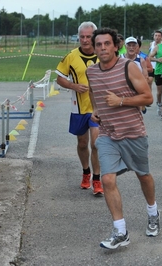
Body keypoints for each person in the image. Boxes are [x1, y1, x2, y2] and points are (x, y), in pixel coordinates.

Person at [86, 27, 159, 249]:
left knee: (143, 176)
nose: (103, 48)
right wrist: (95, 109)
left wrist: (120, 101)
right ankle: (120, 231)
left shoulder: (129, 67)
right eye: (98, 45)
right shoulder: (92, 72)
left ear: (116, 45)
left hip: (133, 133)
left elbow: (148, 98)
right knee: (107, 179)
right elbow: (93, 91)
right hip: (108, 133)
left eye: (107, 44)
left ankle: (153, 212)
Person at [55, 21, 103, 196]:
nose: (84, 40)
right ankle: (86, 173)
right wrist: (73, 86)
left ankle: (97, 179)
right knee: (82, 143)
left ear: (94, 37)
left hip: (98, 109)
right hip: (79, 108)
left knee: (96, 144)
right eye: (82, 36)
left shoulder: (103, 54)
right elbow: (59, 77)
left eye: (88, 36)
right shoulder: (71, 56)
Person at [121, 36, 149, 114]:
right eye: (129, 45)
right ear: (125, 46)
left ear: (137, 47)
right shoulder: (120, 58)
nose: (131, 48)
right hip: (123, 90)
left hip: (136, 90)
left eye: (133, 45)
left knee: (136, 112)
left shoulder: (141, 60)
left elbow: (145, 77)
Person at [147, 31, 162, 99]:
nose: (157, 37)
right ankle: (149, 97)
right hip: (151, 66)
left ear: (161, 37)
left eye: (159, 36)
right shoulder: (151, 44)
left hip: (159, 67)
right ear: (153, 36)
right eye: (156, 35)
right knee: (149, 81)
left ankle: (159, 98)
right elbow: (149, 54)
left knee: (159, 86)